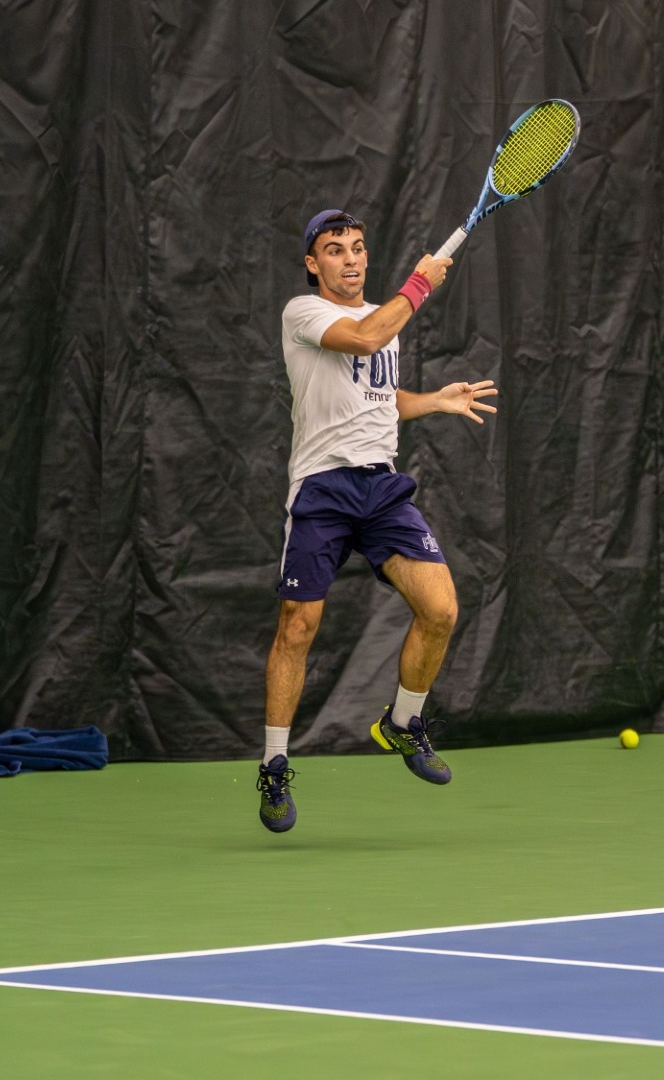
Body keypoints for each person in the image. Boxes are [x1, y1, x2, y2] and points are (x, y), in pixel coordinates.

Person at [256, 209, 498, 834]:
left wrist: (434, 401)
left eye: (358, 247)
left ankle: (402, 722)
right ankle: (275, 766)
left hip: (382, 489)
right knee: (297, 626)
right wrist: (419, 285)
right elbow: (364, 339)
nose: (351, 259)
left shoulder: (382, 320)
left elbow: (378, 401)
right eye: (336, 249)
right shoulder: (304, 313)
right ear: (314, 263)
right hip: (323, 488)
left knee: (440, 609)